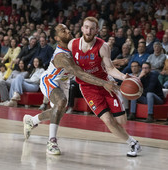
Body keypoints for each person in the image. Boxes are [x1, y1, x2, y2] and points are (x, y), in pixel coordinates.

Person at [23, 23, 117, 155]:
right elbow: (80, 73)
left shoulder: (76, 46)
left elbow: (90, 64)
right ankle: (52, 141)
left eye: (67, 28)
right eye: (63, 30)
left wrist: (113, 64)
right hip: (50, 80)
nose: (68, 31)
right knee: (61, 102)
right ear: (57, 38)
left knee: (59, 112)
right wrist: (103, 83)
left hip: (64, 82)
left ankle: (31, 121)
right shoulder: (61, 56)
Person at [68, 17, 141, 157]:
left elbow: (110, 69)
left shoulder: (103, 46)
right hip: (88, 89)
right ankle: (133, 143)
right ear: (82, 28)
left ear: (97, 31)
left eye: (92, 28)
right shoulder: (72, 45)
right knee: (108, 120)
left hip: (106, 85)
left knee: (121, 121)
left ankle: (129, 138)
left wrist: (125, 77)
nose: (88, 31)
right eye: (86, 27)